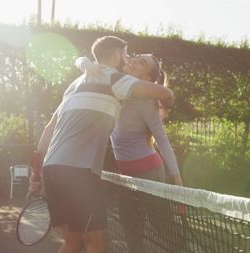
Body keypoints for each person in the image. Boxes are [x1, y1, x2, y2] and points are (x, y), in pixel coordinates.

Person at [27, 36, 175, 253]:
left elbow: (49, 129)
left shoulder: (74, 85)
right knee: (98, 245)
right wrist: (165, 105)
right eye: (126, 54)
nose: (129, 59)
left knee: (73, 243)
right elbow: (167, 93)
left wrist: (37, 173)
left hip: (52, 169)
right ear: (117, 54)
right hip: (78, 174)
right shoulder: (116, 79)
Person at [77, 54, 185, 253]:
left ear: (147, 78)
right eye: (136, 56)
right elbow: (85, 58)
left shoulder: (145, 101)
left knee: (162, 227)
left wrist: (177, 180)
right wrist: (87, 64)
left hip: (149, 172)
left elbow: (163, 140)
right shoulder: (117, 84)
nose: (134, 59)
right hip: (126, 175)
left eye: (141, 62)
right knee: (129, 226)